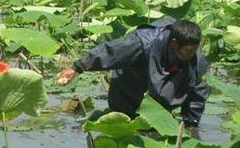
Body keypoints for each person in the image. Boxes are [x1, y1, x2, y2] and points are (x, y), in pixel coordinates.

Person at [57, 17, 209, 126]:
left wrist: (190, 124)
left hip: (160, 97)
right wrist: (77, 67)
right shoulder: (143, 43)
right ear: (174, 44)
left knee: (155, 127)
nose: (192, 55)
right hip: (130, 85)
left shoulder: (194, 57)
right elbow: (110, 52)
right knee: (123, 124)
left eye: (194, 50)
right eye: (188, 51)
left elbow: (198, 92)